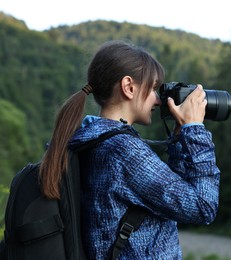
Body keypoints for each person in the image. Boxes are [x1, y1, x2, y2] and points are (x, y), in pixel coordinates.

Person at [39, 40, 220, 259]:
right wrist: (196, 130)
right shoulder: (123, 151)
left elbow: (174, 198)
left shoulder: (90, 140)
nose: (157, 99)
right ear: (129, 87)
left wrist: (182, 136)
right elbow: (202, 207)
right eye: (153, 88)